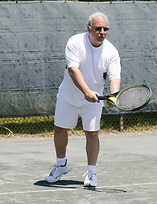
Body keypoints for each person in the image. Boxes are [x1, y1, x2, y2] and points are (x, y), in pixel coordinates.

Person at [46, 12, 121, 187]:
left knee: (93, 134)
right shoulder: (75, 42)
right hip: (68, 96)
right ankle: (61, 164)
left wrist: (113, 95)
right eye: (98, 28)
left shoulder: (111, 51)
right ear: (89, 28)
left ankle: (91, 173)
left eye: (105, 29)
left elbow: (114, 77)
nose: (102, 32)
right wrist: (86, 91)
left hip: (93, 101)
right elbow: (73, 70)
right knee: (59, 129)